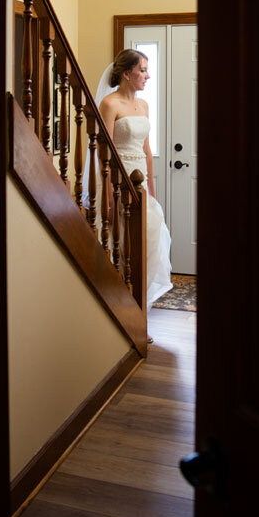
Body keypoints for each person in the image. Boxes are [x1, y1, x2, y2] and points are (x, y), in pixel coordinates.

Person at [96, 49, 174, 319]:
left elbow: (147, 150)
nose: (147, 76)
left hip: (141, 178)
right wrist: (107, 193)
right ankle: (122, 309)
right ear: (127, 74)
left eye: (147, 70)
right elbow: (103, 152)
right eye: (142, 70)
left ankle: (140, 308)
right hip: (119, 179)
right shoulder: (109, 104)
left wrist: (151, 190)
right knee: (123, 245)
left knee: (151, 240)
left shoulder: (143, 106)